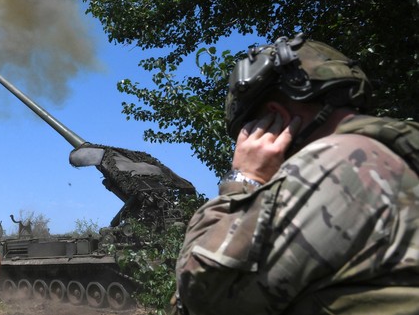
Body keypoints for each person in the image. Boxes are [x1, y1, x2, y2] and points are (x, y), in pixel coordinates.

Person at [174, 34, 419, 314]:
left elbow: (203, 297)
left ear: (274, 118)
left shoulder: (335, 161)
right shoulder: (396, 151)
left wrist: (243, 179)